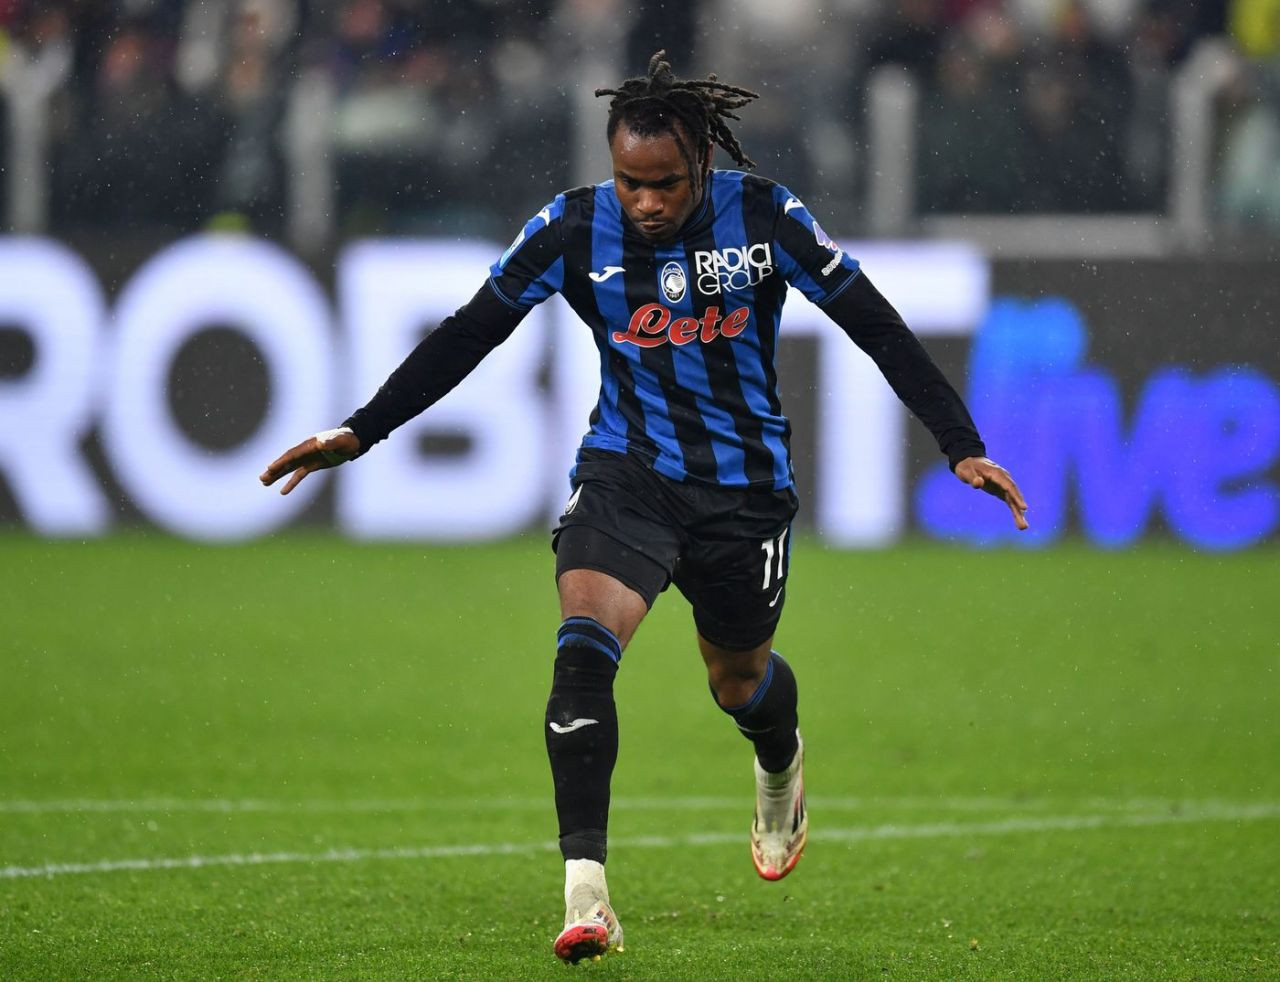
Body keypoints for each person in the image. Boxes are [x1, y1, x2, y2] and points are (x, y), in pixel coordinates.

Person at [260, 51, 1029, 965]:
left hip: (744, 491)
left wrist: (959, 441)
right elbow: (470, 332)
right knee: (582, 652)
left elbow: (875, 324)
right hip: (629, 473)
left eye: (665, 184)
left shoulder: (766, 218)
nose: (647, 203)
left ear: (700, 161)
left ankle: (779, 756)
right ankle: (587, 894)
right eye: (631, 182)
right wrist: (362, 430)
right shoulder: (573, 228)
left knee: (737, 681)